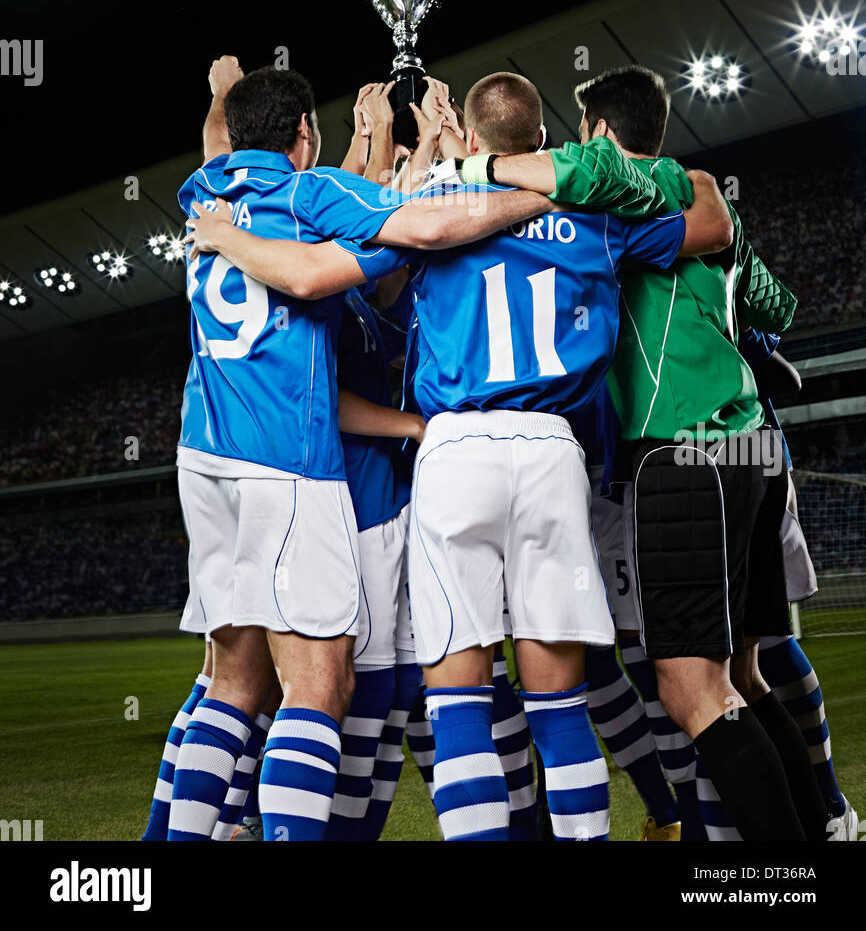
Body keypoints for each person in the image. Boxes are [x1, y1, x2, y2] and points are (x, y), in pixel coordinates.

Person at [185, 70, 732, 841]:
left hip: (453, 450)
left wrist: (404, 149)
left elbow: (348, 259)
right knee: (560, 701)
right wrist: (612, 180)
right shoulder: (596, 214)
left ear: (472, 142)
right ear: (541, 142)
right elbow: (705, 227)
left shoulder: (436, 211)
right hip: (554, 454)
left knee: (457, 698)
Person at [165, 57, 560, 842]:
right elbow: (408, 227)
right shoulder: (311, 199)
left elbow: (225, 142)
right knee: (322, 687)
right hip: (294, 461)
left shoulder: (206, 193)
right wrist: (528, 186)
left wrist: (222, 98)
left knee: (236, 681)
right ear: (305, 135)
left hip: (205, 452)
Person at [460, 64, 830, 843]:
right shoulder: (697, 198)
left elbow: (588, 175)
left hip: (688, 450)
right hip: (753, 448)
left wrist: (468, 164)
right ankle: (824, 828)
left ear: (598, 134)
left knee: (689, 690)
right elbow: (777, 305)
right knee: (743, 676)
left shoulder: (646, 184)